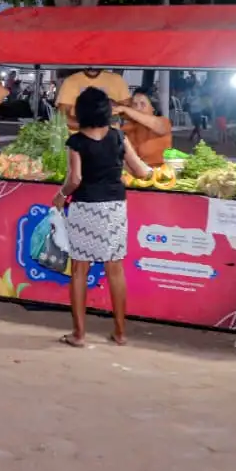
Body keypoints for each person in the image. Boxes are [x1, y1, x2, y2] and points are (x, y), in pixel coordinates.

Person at [52, 87, 153, 347]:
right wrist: (153, 172)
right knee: (115, 270)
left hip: (85, 207)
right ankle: (119, 333)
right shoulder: (119, 137)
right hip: (114, 208)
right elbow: (141, 172)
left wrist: (61, 195)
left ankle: (79, 335)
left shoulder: (76, 141)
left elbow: (75, 179)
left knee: (79, 270)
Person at [115, 87, 173, 168]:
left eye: (143, 104)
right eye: (135, 104)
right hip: (133, 174)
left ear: (153, 107)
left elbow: (155, 124)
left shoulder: (163, 122)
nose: (138, 108)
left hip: (159, 174)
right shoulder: (127, 127)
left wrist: (124, 109)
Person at [56, 68, 130, 130]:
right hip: (79, 139)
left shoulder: (117, 80)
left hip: (111, 140)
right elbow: (62, 118)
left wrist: (117, 105)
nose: (92, 66)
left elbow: (130, 115)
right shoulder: (70, 81)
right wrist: (94, 127)